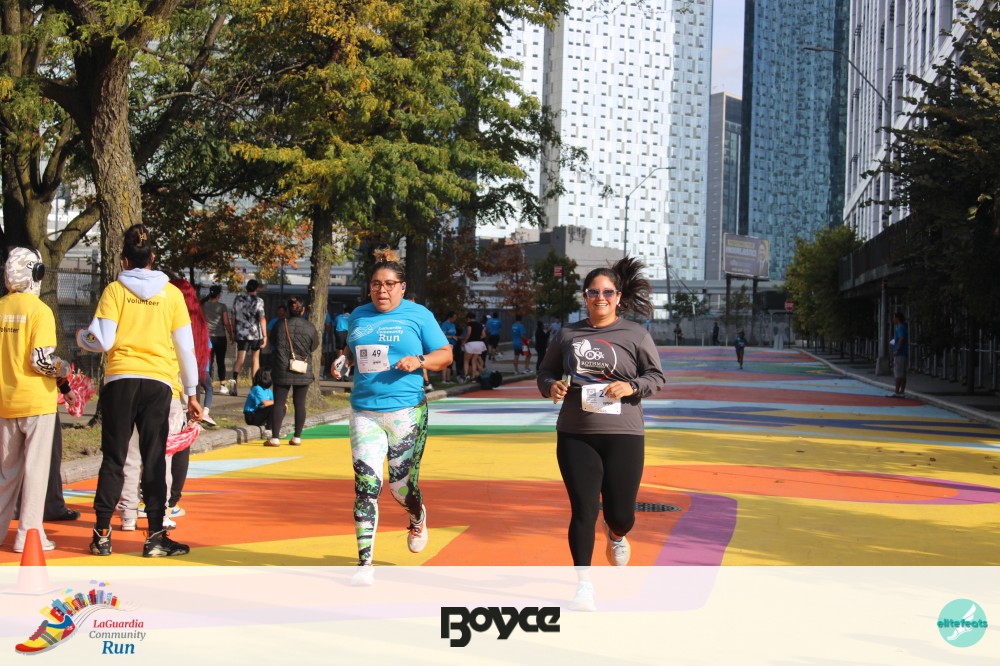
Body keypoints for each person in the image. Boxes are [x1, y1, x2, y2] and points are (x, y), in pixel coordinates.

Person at [537, 256, 665, 611]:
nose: (600, 298)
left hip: (624, 433)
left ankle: (617, 533)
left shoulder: (636, 334)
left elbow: (656, 377)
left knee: (621, 514)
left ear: (618, 297)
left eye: (607, 292)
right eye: (593, 292)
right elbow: (545, 372)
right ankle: (583, 585)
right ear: (585, 296)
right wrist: (551, 387)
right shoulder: (567, 334)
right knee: (583, 509)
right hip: (576, 433)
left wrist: (631, 386)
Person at [77, 224, 202, 557]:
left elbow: (101, 340)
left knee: (114, 458)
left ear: (124, 259)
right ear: (153, 257)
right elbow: (185, 347)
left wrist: (83, 339)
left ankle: (101, 535)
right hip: (158, 382)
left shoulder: (115, 291)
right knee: (154, 458)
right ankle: (156, 536)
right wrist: (191, 392)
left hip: (121, 379)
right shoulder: (172, 294)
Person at [332, 247, 452, 586]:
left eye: (388, 284)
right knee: (366, 486)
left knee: (401, 488)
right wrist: (344, 360)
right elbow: (353, 349)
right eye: (375, 284)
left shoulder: (418, 315)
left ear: (402, 287)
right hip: (364, 412)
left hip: (406, 412)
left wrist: (420, 361)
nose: (381, 291)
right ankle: (365, 564)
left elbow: (446, 354)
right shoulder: (359, 315)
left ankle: (417, 515)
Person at [0, 247, 77, 552]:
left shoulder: (1, 307)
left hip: (5, 401)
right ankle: (28, 535)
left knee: (6, 473)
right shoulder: (40, 311)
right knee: (36, 471)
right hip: (36, 402)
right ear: (36, 273)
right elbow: (40, 360)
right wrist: (64, 370)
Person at [267, 295, 319, 447]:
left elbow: (273, 341)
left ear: (288, 310)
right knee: (300, 403)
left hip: (282, 368)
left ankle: (275, 438)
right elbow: (314, 346)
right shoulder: (310, 327)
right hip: (302, 369)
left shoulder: (279, 325)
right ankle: (297, 437)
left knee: (279, 403)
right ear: (303, 310)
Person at [230, 279, 267, 397]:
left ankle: (233, 383)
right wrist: (265, 335)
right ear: (256, 289)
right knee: (255, 359)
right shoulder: (259, 301)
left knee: (240, 358)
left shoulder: (238, 299)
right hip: (255, 333)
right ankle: (255, 386)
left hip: (241, 333)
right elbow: (262, 318)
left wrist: (233, 331)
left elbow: (233, 316)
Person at [200, 285, 233, 394]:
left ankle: (206, 385)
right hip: (220, 337)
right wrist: (231, 334)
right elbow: (226, 323)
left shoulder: (204, 306)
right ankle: (222, 385)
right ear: (219, 295)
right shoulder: (222, 307)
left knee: (208, 361)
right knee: (220, 361)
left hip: (207, 337)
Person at [462, 312, 486, 382]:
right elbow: (484, 335)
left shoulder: (470, 324)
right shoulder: (480, 324)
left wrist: (464, 341)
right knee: (474, 361)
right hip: (479, 344)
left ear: (468, 318)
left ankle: (466, 376)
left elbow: (469, 333)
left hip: (471, 344)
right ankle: (473, 377)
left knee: (466, 360)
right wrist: (477, 338)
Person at [891, 312, 908, 397]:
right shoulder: (903, 327)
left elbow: (901, 338)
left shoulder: (900, 327)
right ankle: (902, 391)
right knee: (902, 373)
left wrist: (898, 349)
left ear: (897, 318)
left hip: (900, 353)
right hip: (903, 353)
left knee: (898, 373)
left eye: (894, 318)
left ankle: (897, 391)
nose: (893, 320)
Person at [439, 311, 459, 383]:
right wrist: (451, 337)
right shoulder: (445, 324)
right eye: (454, 317)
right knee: (445, 362)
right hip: (447, 344)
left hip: (453, 344)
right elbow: (443, 335)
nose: (455, 319)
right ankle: (443, 379)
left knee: (450, 362)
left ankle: (448, 379)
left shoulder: (453, 325)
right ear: (450, 317)